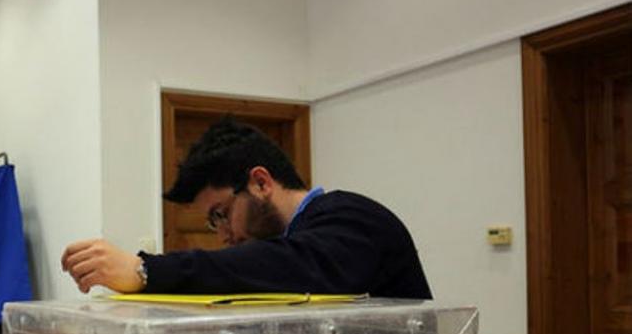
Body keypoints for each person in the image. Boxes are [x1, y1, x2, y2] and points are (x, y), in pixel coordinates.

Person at [62, 117, 431, 299]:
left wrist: (145, 270)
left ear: (260, 183)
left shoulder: (354, 220)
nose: (224, 235)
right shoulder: (299, 238)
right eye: (214, 222)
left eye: (221, 214)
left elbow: (280, 264)